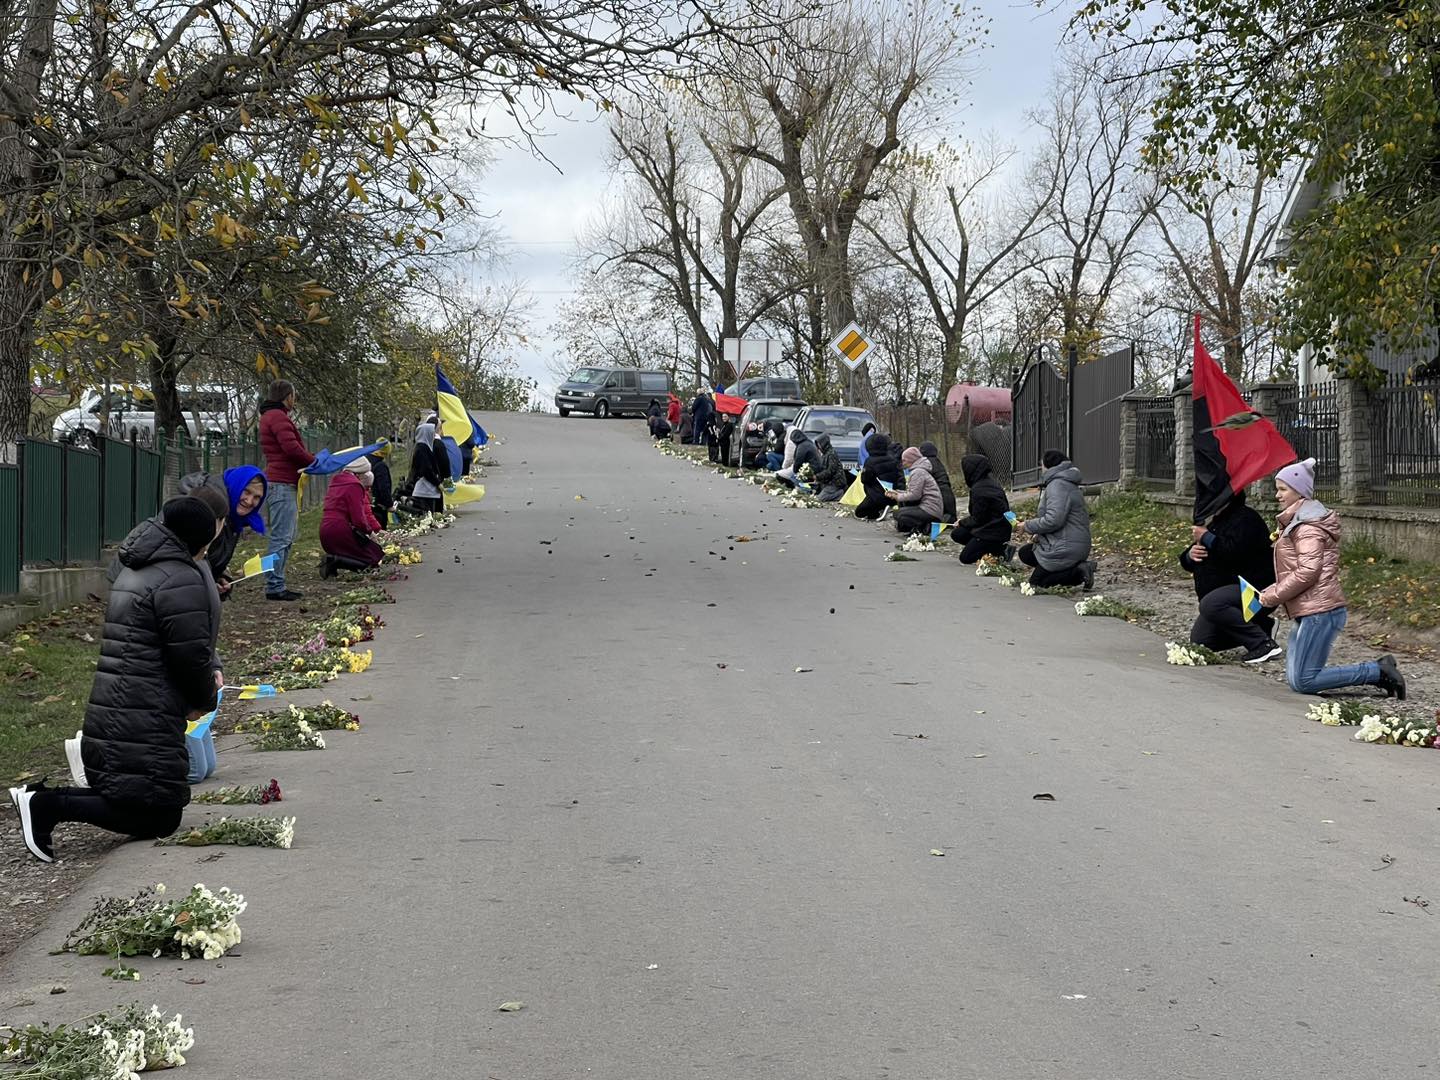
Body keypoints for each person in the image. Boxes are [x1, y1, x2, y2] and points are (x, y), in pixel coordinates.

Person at [10, 497, 223, 862]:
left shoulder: (138, 566)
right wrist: (204, 700)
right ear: (199, 540)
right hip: (147, 706)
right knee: (162, 814)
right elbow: (190, 656)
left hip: (122, 699)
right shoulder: (179, 577)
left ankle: (40, 800)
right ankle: (46, 805)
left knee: (145, 796)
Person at [1258, 458, 1406, 698]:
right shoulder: (1298, 522)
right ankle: (1378, 670)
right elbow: (1298, 570)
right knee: (1297, 679)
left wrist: (1274, 595)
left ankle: (1378, 672)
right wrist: (1271, 589)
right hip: (1311, 607)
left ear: (1299, 491)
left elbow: (1308, 571)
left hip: (1320, 611)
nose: (1277, 495)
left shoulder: (1307, 527)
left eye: (1283, 489)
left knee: (1304, 681)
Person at [1178, 489, 1281, 663]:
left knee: (1211, 604)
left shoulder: (1246, 519)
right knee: (1201, 642)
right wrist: (1190, 555)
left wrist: (1207, 537)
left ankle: (1262, 644)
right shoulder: (1217, 521)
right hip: (1222, 597)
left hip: (1253, 590)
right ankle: (1263, 627)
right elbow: (1192, 559)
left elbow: (1235, 552)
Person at [258, 380, 314, 602]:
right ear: (287, 396)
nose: (294, 399)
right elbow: (291, 448)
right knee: (281, 538)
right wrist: (313, 461)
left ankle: (274, 581)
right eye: (293, 395)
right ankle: (273, 585)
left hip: (279, 482)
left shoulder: (269, 416)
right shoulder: (278, 418)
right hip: (281, 483)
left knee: (282, 537)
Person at [1013, 449, 1095, 590]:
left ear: (1049, 466)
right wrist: (1039, 533)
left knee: (1036, 584)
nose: (1041, 470)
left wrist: (1027, 525)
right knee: (1026, 552)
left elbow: (1054, 520)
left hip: (1066, 547)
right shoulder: (1064, 482)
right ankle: (1070, 569)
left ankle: (1079, 572)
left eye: (1041, 465)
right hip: (1070, 542)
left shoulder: (1057, 485)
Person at [320, 457, 385, 576]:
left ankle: (333, 560)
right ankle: (334, 561)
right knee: (373, 557)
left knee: (365, 552)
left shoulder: (336, 481)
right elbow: (358, 518)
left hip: (325, 531)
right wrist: (370, 532)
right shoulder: (354, 485)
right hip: (340, 530)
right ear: (360, 472)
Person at [951, 454, 1011, 564]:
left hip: (991, 531)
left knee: (966, 558)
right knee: (958, 533)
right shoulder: (991, 483)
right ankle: (987, 548)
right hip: (997, 527)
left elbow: (978, 519)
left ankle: (998, 551)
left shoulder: (979, 490)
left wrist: (961, 522)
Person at [886, 447, 943, 533]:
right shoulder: (919, 471)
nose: (902, 463)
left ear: (911, 460)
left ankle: (923, 528)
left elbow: (915, 495)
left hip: (930, 510)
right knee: (899, 512)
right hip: (931, 509)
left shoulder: (918, 472)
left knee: (899, 514)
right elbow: (913, 491)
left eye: (904, 460)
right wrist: (897, 492)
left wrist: (897, 497)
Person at [854, 432, 903, 520]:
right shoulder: (893, 459)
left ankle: (878, 510)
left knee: (859, 512)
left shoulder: (869, 461)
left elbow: (865, 479)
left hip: (877, 497)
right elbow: (900, 477)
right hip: (894, 495)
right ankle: (886, 508)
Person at [407, 420, 445, 514]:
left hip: (426, 488)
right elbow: (426, 469)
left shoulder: (423, 447)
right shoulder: (422, 449)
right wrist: (438, 483)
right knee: (428, 513)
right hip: (425, 489)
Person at [918, 441, 957, 523]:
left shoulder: (925, 463)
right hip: (948, 495)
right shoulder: (938, 462)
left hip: (938, 496)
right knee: (950, 518)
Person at [812, 434, 850, 501]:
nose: (818, 447)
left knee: (820, 498)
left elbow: (830, 471)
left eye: (819, 444)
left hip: (835, 483)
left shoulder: (831, 454)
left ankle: (840, 494)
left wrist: (817, 476)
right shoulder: (825, 454)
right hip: (828, 482)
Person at [367, 443, 394, 529]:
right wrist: (389, 504)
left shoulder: (366, 462)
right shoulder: (380, 466)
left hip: (366, 504)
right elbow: (384, 487)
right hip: (379, 506)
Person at [691, 390, 715, 456]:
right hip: (706, 416)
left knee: (697, 429)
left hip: (699, 416)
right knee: (705, 431)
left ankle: (696, 442)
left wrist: (693, 412)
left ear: (698, 393)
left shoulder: (698, 399)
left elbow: (694, 407)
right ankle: (704, 442)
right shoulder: (707, 399)